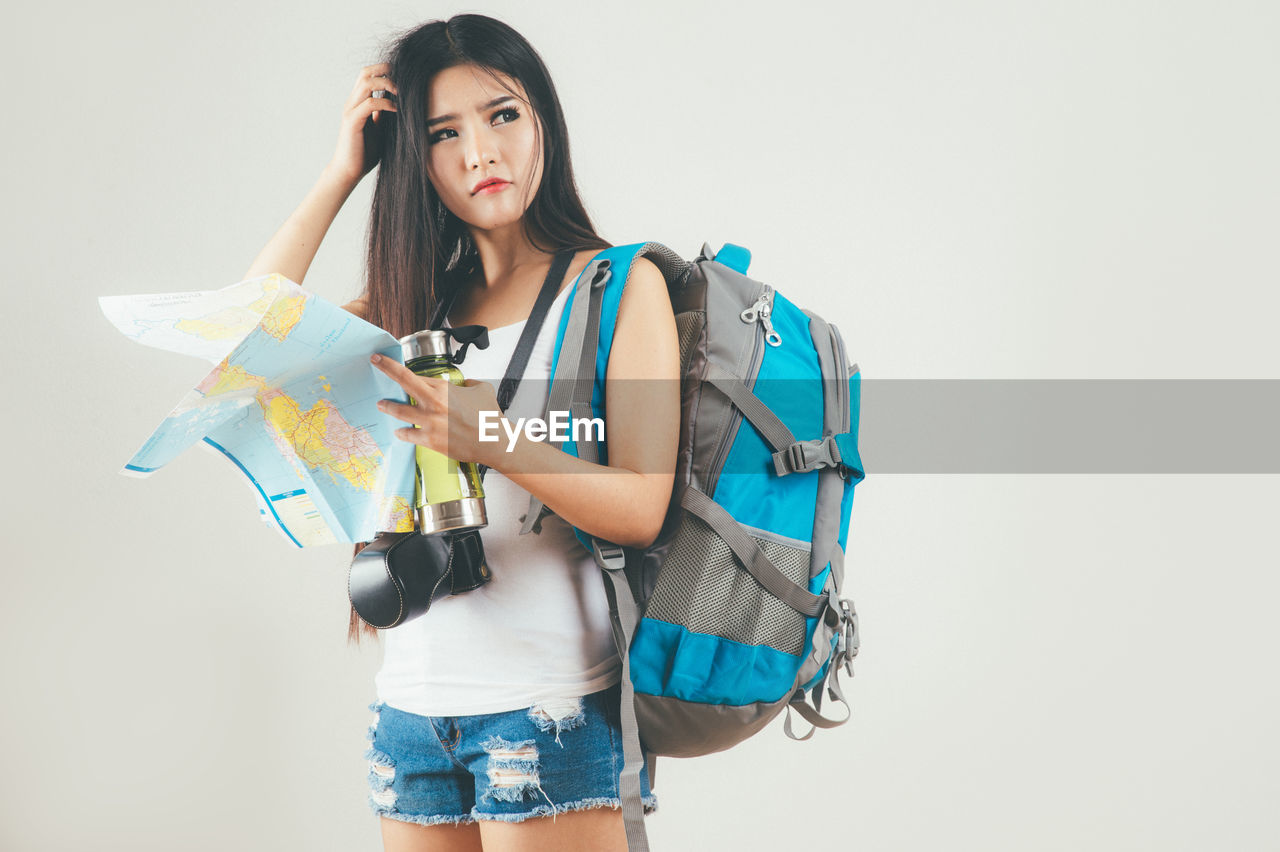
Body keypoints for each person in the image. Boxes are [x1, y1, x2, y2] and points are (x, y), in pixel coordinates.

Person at [241, 14, 679, 852]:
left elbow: (641, 505)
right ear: (415, 158)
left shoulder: (619, 287)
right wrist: (341, 174)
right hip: (411, 714)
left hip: (549, 711)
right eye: (444, 134)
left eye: (502, 115)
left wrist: (492, 439)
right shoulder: (413, 309)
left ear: (543, 120)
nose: (480, 152)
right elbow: (254, 336)